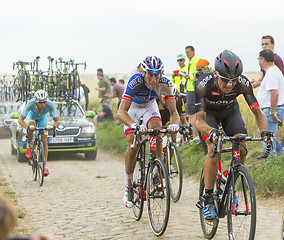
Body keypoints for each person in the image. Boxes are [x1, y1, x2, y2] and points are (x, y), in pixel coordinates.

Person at [195, 50, 269, 221]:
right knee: (214, 147)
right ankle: (207, 197)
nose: (229, 85)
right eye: (225, 80)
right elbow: (199, 122)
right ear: (215, 74)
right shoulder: (203, 84)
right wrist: (212, 132)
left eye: (233, 80)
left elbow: (258, 113)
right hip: (209, 116)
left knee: (243, 146)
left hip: (230, 112)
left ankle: (230, 182)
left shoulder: (242, 83)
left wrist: (264, 132)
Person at [117, 56, 180, 208]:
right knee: (133, 143)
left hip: (149, 106)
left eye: (156, 75)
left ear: (161, 74)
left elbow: (174, 113)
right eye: (150, 75)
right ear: (143, 73)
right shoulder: (135, 82)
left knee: (157, 130)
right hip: (131, 108)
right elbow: (121, 112)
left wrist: (174, 126)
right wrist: (134, 125)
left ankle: (156, 172)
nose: (153, 79)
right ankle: (128, 186)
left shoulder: (166, 84)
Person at [18, 90, 60, 176]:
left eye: (44, 102)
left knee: (44, 140)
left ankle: (45, 167)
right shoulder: (31, 103)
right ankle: (29, 147)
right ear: (36, 101)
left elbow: (57, 121)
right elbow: (20, 119)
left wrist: (53, 127)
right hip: (32, 116)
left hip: (42, 118)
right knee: (32, 128)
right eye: (40, 103)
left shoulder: (50, 104)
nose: (43, 105)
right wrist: (27, 127)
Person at [256, 49, 284, 157]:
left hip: (270, 110)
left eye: (259, 59)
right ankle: (280, 157)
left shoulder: (272, 73)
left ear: (263, 59)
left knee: (267, 138)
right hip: (270, 110)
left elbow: (274, 94)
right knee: (270, 136)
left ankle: (270, 164)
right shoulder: (274, 71)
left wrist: (272, 112)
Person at [185, 45, 199, 138]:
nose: (187, 54)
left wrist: (189, 77)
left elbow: (196, 75)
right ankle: (194, 135)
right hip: (190, 89)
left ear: (193, 52)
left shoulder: (195, 61)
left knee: (192, 114)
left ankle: (194, 135)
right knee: (191, 113)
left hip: (193, 89)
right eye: (186, 52)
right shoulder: (191, 61)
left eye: (188, 52)